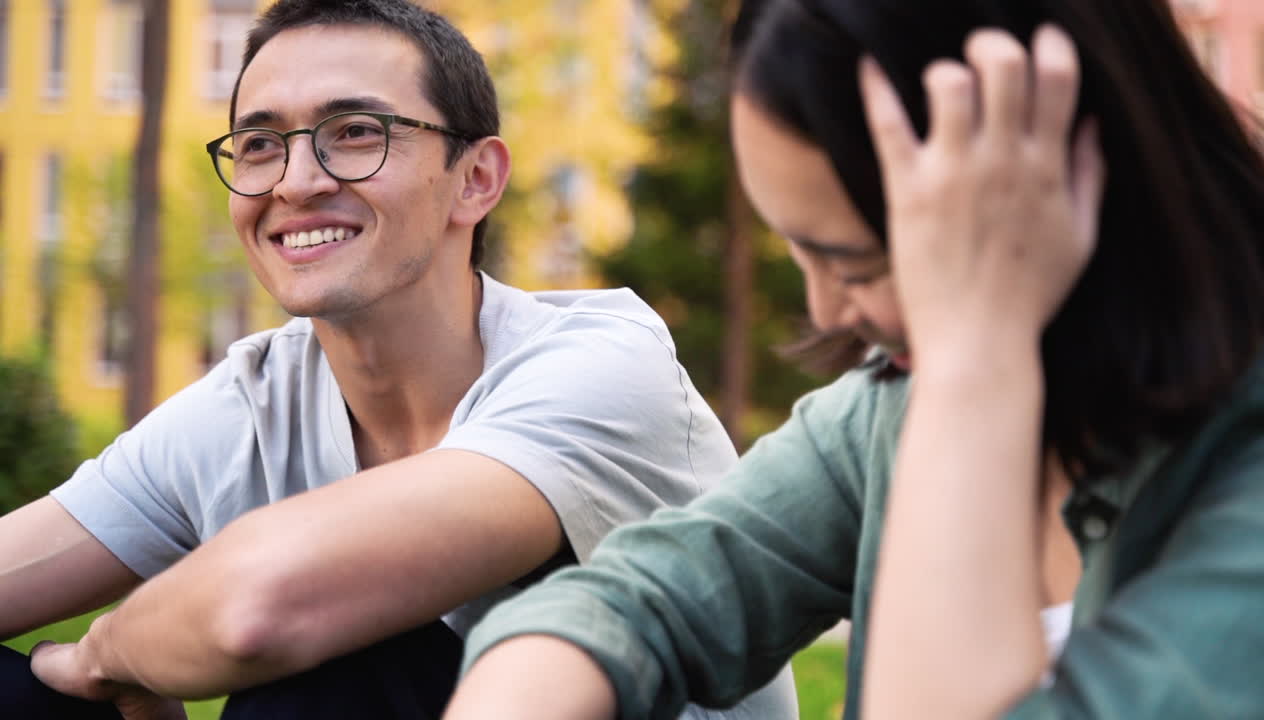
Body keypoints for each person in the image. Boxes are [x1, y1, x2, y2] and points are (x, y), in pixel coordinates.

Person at [441, 0, 1264, 718]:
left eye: (857, 264)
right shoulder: (892, 415)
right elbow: (646, 598)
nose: (824, 310)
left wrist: (974, 353)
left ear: (1052, 189)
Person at [0, 1, 799, 718]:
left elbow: (262, 608)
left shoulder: (602, 368)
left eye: (356, 132)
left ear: (476, 179)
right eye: (259, 144)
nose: (298, 180)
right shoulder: (252, 402)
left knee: (345, 663)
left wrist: (99, 657)